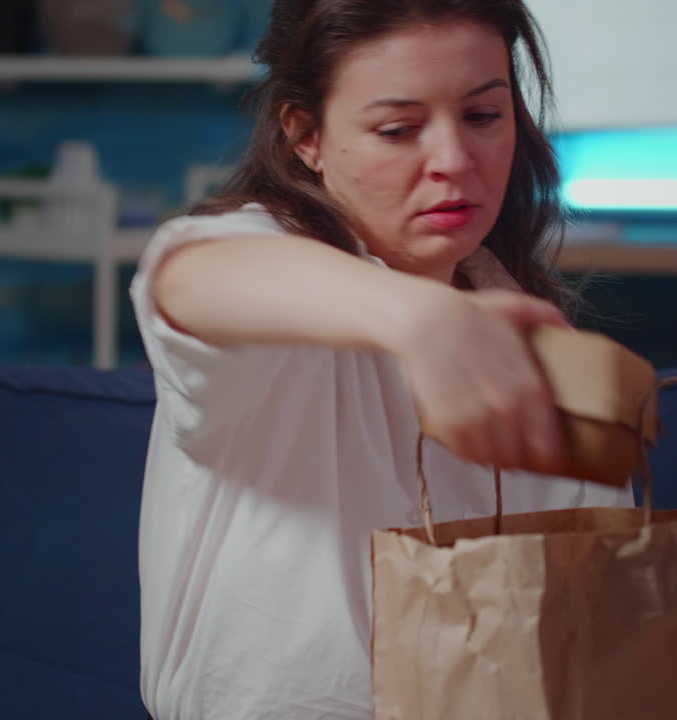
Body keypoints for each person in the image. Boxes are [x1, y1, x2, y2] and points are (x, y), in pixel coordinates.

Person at [129, 0, 636, 717]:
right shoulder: (268, 288)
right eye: (398, 130)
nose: (454, 161)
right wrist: (416, 316)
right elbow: (184, 276)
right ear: (306, 136)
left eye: (485, 117)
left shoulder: (545, 351)